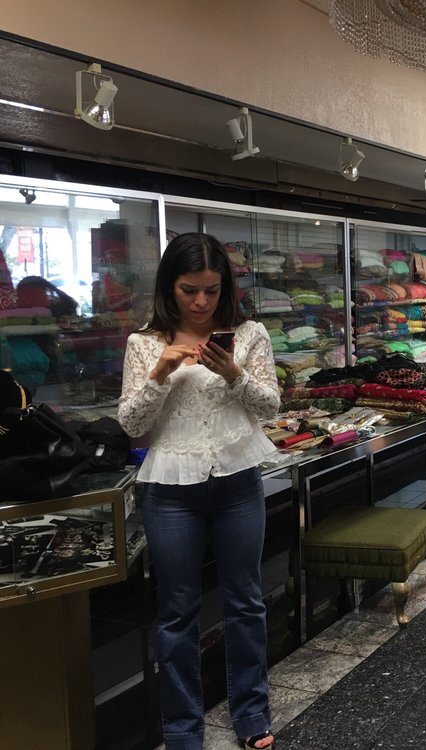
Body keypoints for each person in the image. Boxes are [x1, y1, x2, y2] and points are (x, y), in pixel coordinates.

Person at [118, 233, 280, 750]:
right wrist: (160, 373)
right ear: (170, 286)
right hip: (170, 491)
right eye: (190, 290)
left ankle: (251, 713)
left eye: (212, 290)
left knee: (246, 602)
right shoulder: (145, 343)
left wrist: (233, 373)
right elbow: (131, 424)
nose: (201, 301)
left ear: (225, 287)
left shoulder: (249, 334)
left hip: (237, 482)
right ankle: (183, 729)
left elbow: (270, 407)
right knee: (176, 612)